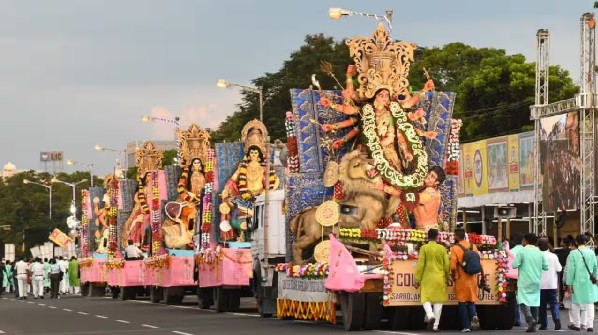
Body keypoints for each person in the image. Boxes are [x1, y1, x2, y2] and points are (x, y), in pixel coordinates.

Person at [414, 229, 450, 331]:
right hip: (440, 278)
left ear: (427, 236)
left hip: (427, 278)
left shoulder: (424, 248)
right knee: (438, 302)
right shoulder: (442, 248)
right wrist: (447, 277)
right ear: (437, 237)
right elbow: (446, 265)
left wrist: (417, 280)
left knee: (425, 299)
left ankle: (430, 316)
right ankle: (435, 326)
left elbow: (420, 265)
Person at [512, 233, 548, 332]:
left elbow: (514, 265)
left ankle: (529, 318)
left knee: (522, 300)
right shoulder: (540, 252)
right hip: (536, 280)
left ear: (525, 241)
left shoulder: (522, 251)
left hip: (524, 280)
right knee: (534, 302)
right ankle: (534, 324)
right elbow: (546, 267)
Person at [450, 228, 481, 332]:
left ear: (457, 236)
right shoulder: (473, 246)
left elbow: (453, 267)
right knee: (471, 301)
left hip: (461, 279)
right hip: (472, 278)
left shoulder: (455, 248)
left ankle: (466, 326)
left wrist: (453, 276)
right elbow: (478, 262)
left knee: (462, 302)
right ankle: (474, 317)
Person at [565, 235, 598, 331]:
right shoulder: (591, 252)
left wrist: (569, 283)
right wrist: (596, 279)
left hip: (577, 282)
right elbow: (595, 267)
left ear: (576, 242)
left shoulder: (573, 253)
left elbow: (571, 270)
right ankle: (590, 325)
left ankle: (577, 324)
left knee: (576, 303)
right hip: (589, 282)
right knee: (590, 303)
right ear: (586, 242)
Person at [537, 238, 562, 330]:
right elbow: (559, 269)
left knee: (542, 306)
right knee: (554, 303)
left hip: (540, 285)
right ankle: (557, 319)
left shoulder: (537, 256)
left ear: (538, 246)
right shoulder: (553, 256)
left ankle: (544, 325)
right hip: (552, 284)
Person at [413, 166, 445, 230]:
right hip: (428, 228)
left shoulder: (430, 191)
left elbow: (413, 198)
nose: (428, 176)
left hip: (426, 230)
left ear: (436, 182)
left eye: (432, 176)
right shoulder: (436, 192)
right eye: (429, 173)